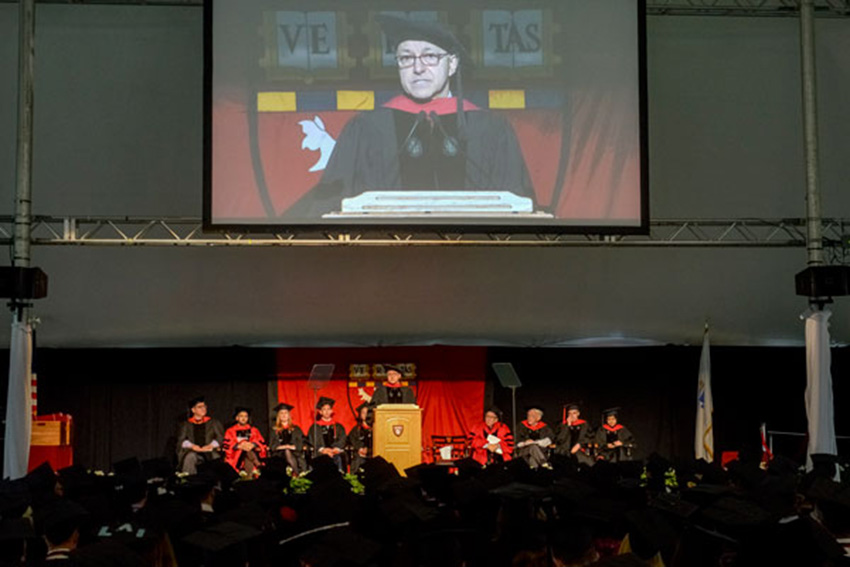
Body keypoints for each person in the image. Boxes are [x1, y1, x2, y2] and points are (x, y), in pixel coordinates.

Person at [286, 14, 534, 218]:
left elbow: (520, 208)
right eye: (406, 57)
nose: (417, 67)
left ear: (453, 64)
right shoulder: (366, 129)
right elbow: (329, 207)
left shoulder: (491, 130)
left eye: (430, 56)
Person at [176, 396, 225, 475]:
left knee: (217, 460)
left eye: (204, 406)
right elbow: (181, 440)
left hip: (210, 451)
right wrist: (192, 446)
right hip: (193, 452)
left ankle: (216, 485)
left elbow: (221, 437)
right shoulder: (186, 424)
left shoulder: (213, 423)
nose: (203, 409)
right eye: (200, 407)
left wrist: (211, 445)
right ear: (193, 410)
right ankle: (189, 482)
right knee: (190, 457)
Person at [223, 407, 268, 477]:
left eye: (246, 416)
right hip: (236, 454)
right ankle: (257, 464)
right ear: (236, 418)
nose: (243, 418)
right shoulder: (230, 431)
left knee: (247, 453)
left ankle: (248, 477)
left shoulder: (253, 430)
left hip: (251, 451)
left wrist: (252, 444)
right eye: (241, 416)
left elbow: (260, 441)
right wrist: (240, 446)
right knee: (246, 452)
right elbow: (227, 444)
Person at [306, 397, 347, 472]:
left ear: (332, 411)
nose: (327, 412)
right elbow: (312, 440)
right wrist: (323, 449)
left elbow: (342, 439)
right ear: (320, 412)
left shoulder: (338, 426)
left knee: (338, 458)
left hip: (335, 452)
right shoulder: (315, 427)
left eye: (328, 409)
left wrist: (335, 449)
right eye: (324, 409)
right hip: (320, 452)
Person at [270, 402, 306, 475]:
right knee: (286, 451)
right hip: (279, 454)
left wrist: (293, 446)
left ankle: (295, 473)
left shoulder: (296, 429)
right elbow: (272, 445)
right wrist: (284, 447)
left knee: (289, 452)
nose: (284, 415)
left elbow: (301, 441)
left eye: (285, 413)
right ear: (278, 416)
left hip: (294, 452)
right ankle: (297, 474)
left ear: (289, 415)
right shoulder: (274, 430)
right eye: (281, 413)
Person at [348, 402, 374, 472]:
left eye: (367, 412)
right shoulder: (356, 429)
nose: (365, 414)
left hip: (373, 452)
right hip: (360, 453)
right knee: (358, 459)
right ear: (360, 415)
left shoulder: (376, 429)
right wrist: (360, 448)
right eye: (363, 412)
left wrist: (369, 449)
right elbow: (353, 440)